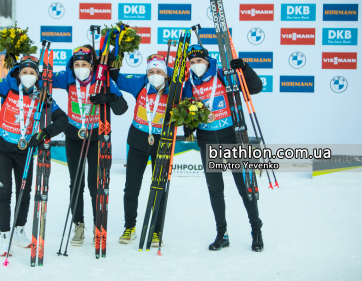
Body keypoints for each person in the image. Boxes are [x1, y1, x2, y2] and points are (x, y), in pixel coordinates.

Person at [0, 52, 68, 256]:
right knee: (4, 193)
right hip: (2, 148)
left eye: (32, 72)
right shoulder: (7, 87)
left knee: (24, 193)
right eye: (24, 72)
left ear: (37, 76)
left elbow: (63, 120)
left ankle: (19, 230)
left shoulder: (42, 96)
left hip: (24, 150)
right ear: (18, 74)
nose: (27, 75)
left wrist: (44, 134)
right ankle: (5, 234)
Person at [182, 44, 264, 252]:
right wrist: (188, 123)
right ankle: (222, 233)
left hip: (231, 138)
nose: (196, 65)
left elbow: (255, 87)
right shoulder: (189, 84)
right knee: (216, 191)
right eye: (192, 62)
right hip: (207, 142)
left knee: (244, 187)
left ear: (207, 61)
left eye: (199, 61)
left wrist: (244, 68)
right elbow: (187, 119)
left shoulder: (222, 74)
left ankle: (256, 229)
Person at [52, 45, 128, 246]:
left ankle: (98, 226)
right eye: (76, 64)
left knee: (96, 185)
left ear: (92, 66)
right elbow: (43, 78)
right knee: (75, 182)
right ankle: (78, 225)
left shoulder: (103, 79)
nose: (80, 68)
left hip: (98, 137)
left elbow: (122, 109)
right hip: (74, 135)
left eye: (84, 64)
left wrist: (109, 98)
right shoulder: (67, 77)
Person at [109, 54, 172, 247]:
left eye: (159, 72)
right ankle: (130, 227)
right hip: (138, 140)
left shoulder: (174, 89)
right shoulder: (140, 83)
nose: (155, 75)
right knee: (131, 187)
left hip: (162, 141)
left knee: (159, 187)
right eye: (151, 72)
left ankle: (156, 230)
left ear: (166, 74)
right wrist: (114, 59)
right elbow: (115, 78)